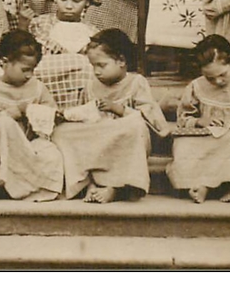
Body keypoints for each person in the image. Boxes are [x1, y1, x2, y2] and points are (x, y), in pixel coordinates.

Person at [52, 29, 170, 202]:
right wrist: (69, 115)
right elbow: (84, 114)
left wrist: (119, 109)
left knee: (135, 125)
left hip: (124, 139)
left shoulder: (136, 83)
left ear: (121, 61)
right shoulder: (91, 86)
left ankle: (116, 187)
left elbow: (152, 121)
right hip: (98, 136)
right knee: (61, 132)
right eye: (93, 66)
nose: (96, 72)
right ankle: (89, 182)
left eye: (101, 65)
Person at [166, 35, 230, 203]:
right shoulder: (196, 87)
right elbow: (183, 117)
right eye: (210, 78)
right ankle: (200, 185)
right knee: (183, 144)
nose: (218, 81)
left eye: (222, 74)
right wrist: (200, 121)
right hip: (204, 138)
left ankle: (229, 184)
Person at [0, 30, 64, 201]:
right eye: (25, 69)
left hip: (27, 146)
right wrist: (14, 112)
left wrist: (35, 111)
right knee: (4, 123)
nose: (29, 75)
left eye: (33, 70)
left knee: (49, 152)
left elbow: (50, 114)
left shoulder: (37, 87)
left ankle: (21, 187)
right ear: (5, 62)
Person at [28, 0, 99, 56]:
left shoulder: (92, 32)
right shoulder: (40, 23)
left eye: (76, 0)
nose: (69, 6)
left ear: (87, 1)